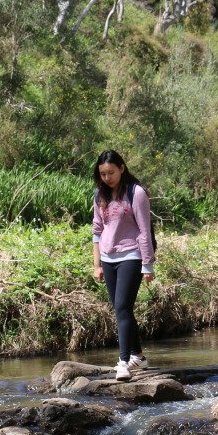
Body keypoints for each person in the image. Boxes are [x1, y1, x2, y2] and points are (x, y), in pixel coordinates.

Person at [92, 150, 155, 381]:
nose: (107, 177)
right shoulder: (100, 194)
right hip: (108, 258)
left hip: (131, 255)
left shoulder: (136, 193)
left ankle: (123, 362)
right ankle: (138, 356)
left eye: (111, 172)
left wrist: (147, 264)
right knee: (123, 309)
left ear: (122, 168)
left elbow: (144, 229)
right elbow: (97, 230)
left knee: (121, 307)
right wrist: (96, 264)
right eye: (102, 174)